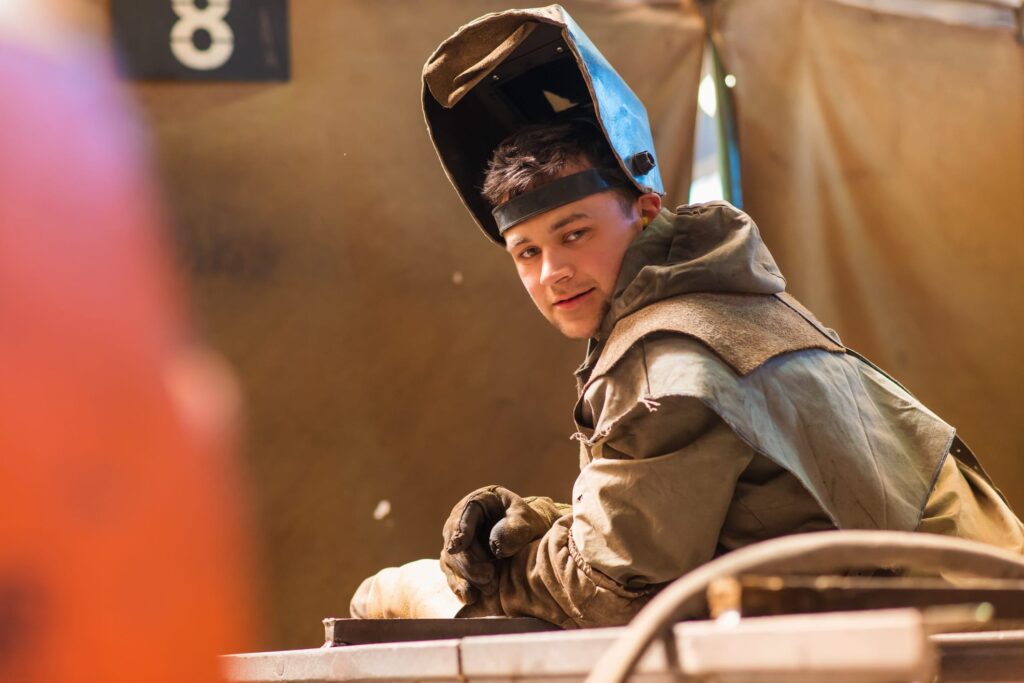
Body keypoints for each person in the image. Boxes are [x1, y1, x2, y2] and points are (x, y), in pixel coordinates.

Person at [350, 5, 1024, 627]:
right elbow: (700, 520)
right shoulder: (716, 301)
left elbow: (610, 588)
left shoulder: (671, 355)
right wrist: (544, 525)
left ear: (643, 209)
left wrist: (461, 582)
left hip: (969, 629)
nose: (552, 270)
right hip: (966, 604)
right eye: (527, 251)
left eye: (575, 233)